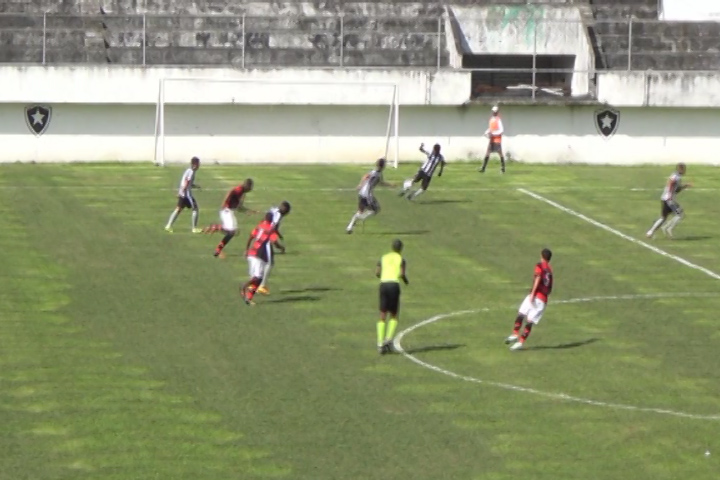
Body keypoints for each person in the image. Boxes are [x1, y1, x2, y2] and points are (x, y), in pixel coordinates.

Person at [505, 248, 553, 351]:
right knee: (530, 321)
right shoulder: (549, 270)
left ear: (542, 256)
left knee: (521, 313)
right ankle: (520, 342)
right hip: (543, 300)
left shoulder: (540, 265)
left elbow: (538, 278)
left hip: (536, 296)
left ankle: (515, 334)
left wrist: (532, 294)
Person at [202, 178, 255, 258]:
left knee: (234, 232)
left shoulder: (242, 193)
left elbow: (239, 207)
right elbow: (231, 191)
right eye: (251, 187)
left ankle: (218, 249)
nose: (251, 189)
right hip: (226, 211)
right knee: (232, 231)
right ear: (247, 186)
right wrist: (224, 203)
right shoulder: (240, 189)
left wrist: (247, 211)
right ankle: (216, 230)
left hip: (229, 211)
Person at [241, 213, 285, 305]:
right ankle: (244, 286)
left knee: (256, 277)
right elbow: (274, 241)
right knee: (258, 278)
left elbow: (251, 236)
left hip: (252, 253)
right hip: (259, 255)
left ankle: (248, 298)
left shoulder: (260, 226)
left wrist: (246, 249)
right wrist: (281, 248)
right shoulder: (270, 229)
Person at [375, 239, 409, 354]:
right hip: (394, 285)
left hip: (383, 285)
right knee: (394, 315)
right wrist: (405, 281)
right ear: (401, 249)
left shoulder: (383, 257)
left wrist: (383, 275)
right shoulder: (401, 260)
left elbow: (377, 273)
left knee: (382, 314)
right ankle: (388, 339)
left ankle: (380, 343)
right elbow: (402, 274)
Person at [346, 158, 394, 234]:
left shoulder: (374, 172)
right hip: (368, 195)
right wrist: (390, 185)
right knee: (376, 209)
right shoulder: (377, 173)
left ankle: (350, 227)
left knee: (360, 211)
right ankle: (362, 218)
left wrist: (360, 185)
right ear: (383, 166)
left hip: (361, 193)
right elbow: (375, 180)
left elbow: (366, 177)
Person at [646, 163, 692, 239]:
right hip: (669, 199)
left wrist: (685, 186)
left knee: (663, 217)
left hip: (666, 198)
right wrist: (670, 195)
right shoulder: (675, 177)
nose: (685, 171)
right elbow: (670, 183)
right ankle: (668, 228)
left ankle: (650, 232)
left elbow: (676, 190)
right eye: (684, 169)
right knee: (680, 214)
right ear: (681, 169)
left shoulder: (676, 176)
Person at [257, 201, 292, 295]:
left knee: (262, 261)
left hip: (260, 234)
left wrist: (278, 234)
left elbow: (271, 224)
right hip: (265, 239)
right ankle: (261, 286)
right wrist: (280, 247)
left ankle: (255, 284)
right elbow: (272, 230)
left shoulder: (274, 210)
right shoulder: (278, 216)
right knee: (269, 262)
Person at [165, 156, 202, 233]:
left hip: (183, 194)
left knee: (178, 209)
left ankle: (168, 226)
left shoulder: (189, 170)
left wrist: (195, 186)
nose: (199, 165)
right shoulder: (191, 172)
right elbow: (186, 183)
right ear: (195, 164)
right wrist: (182, 191)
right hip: (186, 195)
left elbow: (188, 183)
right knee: (195, 209)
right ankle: (194, 228)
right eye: (198, 164)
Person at [479, 105, 505, 174]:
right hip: (491, 140)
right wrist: (486, 132)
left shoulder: (498, 120)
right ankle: (483, 168)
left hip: (497, 140)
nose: (494, 113)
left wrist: (494, 134)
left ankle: (503, 168)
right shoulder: (491, 119)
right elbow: (491, 128)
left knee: (500, 154)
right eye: (493, 111)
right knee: (487, 153)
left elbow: (501, 130)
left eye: (495, 111)